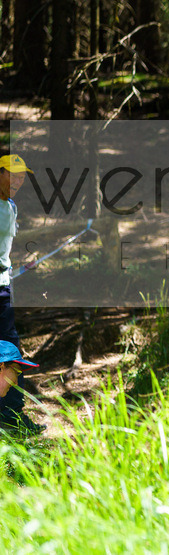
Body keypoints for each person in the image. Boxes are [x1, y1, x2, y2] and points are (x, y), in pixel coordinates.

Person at [0, 154, 45, 433]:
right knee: (11, 355)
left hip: (4, 287)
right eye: (12, 174)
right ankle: (13, 418)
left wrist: (20, 266)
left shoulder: (11, 207)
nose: (17, 180)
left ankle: (10, 416)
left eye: (22, 176)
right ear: (0, 172)